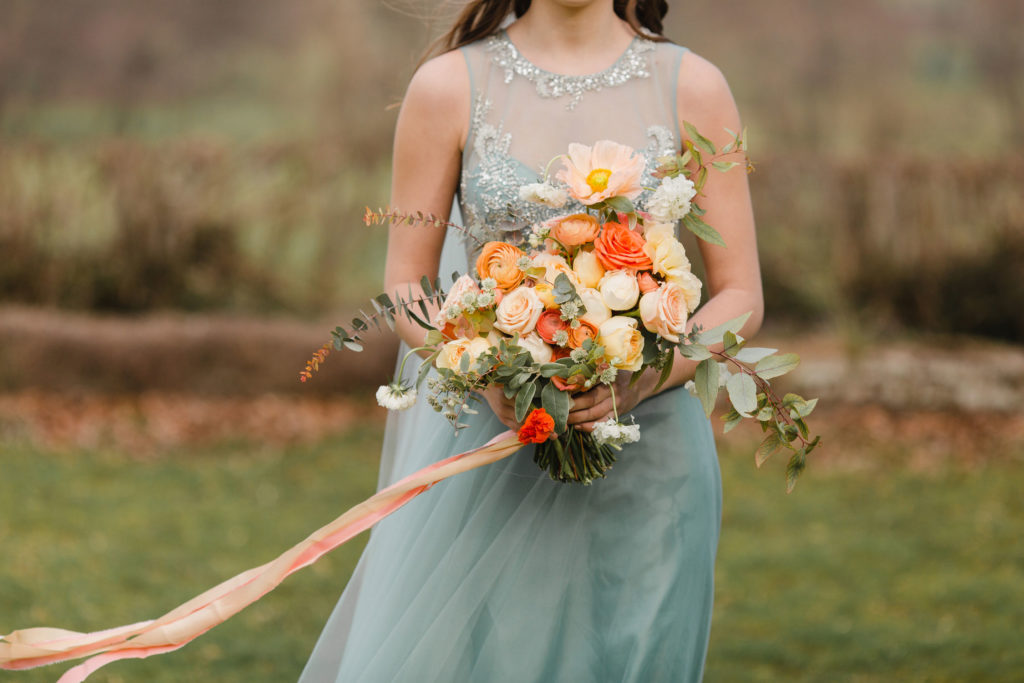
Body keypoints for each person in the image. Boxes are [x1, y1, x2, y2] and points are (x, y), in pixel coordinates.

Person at [300, 0, 761, 680]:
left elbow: (741, 293)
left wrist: (643, 375)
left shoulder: (694, 86)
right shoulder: (448, 87)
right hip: (497, 452)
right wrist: (491, 374)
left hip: (654, 463)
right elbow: (407, 283)